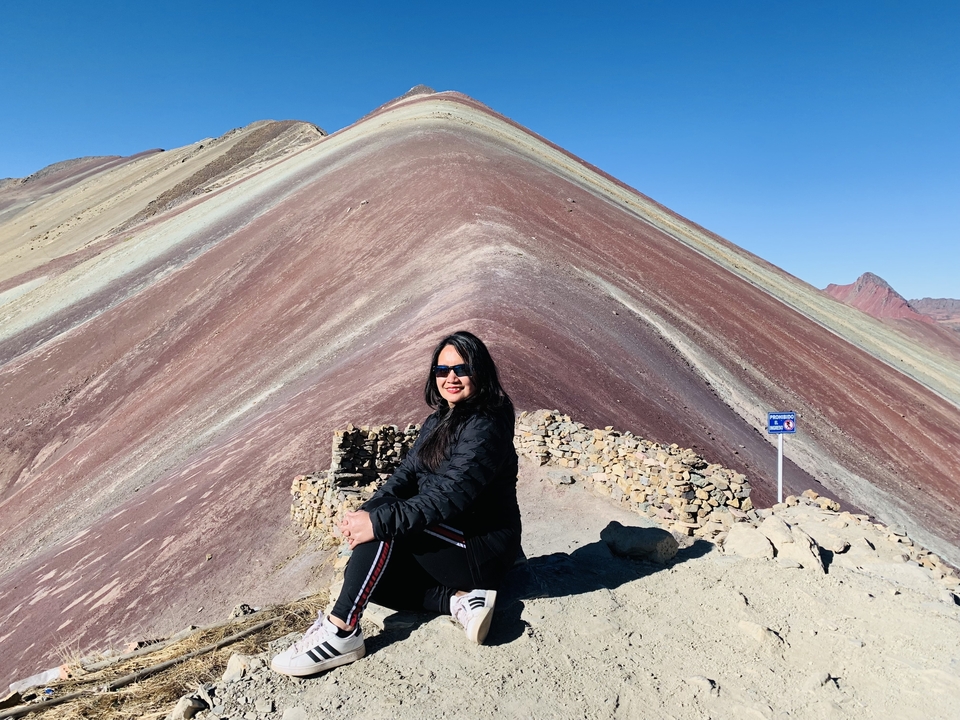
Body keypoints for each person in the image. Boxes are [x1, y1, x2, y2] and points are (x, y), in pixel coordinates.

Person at [271, 330, 522, 677]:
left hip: (481, 546)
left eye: (461, 369)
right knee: (367, 576)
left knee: (381, 531)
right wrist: (366, 512)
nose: (451, 377)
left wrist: (376, 522)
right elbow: (404, 476)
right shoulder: (438, 421)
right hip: (451, 540)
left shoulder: (485, 426)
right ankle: (460, 600)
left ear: (480, 372)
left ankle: (341, 631)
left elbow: (450, 497)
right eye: (441, 369)